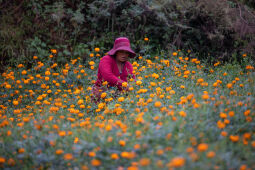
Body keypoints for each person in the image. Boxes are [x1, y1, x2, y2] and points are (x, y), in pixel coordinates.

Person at [92, 37, 136, 102]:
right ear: (116, 52)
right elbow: (107, 76)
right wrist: (125, 84)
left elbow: (132, 80)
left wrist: (133, 86)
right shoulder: (106, 59)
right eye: (121, 52)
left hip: (120, 97)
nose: (124, 55)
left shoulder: (128, 65)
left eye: (126, 52)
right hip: (102, 95)